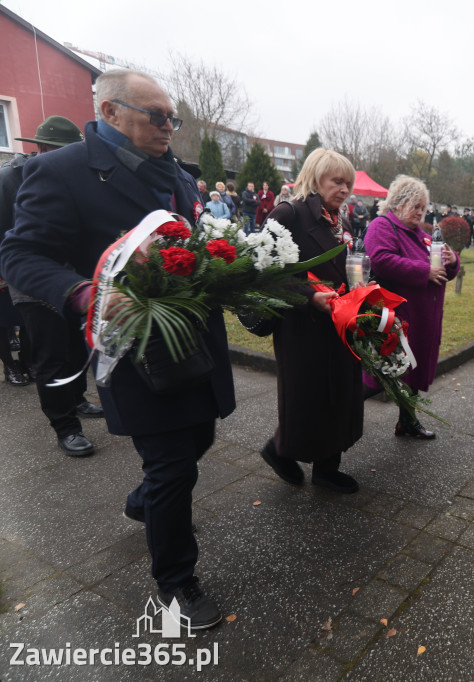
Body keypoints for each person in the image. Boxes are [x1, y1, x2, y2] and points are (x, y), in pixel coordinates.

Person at [0, 68, 235, 629]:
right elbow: (21, 255)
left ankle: (143, 502)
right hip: (135, 346)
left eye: (172, 118)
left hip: (196, 340)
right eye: (156, 116)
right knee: (172, 465)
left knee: (199, 439)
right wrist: (86, 293)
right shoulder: (60, 172)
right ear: (109, 111)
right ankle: (175, 584)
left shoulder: (178, 176)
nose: (168, 127)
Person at [258, 149, 365, 493]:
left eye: (348, 183)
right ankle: (279, 450)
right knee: (307, 398)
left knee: (338, 394)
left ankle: (327, 468)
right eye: (338, 181)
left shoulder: (341, 220)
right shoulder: (288, 213)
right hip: (302, 326)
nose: (345, 189)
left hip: (338, 321)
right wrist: (308, 297)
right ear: (316, 178)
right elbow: (265, 270)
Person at [0, 116, 104, 453]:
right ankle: (65, 426)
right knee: (50, 356)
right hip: (32, 281)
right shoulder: (9, 179)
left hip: (74, 278)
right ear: (43, 148)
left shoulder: (74, 174)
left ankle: (77, 399)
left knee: (76, 347)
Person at [364, 175, 459, 439]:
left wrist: (452, 260)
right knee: (381, 374)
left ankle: (407, 421)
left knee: (412, 371)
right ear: (398, 202)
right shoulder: (382, 226)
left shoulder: (421, 236)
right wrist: (424, 271)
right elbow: (381, 259)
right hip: (395, 317)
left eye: (422, 207)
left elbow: (442, 268)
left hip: (421, 318)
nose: (420, 212)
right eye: (415, 206)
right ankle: (337, 413)